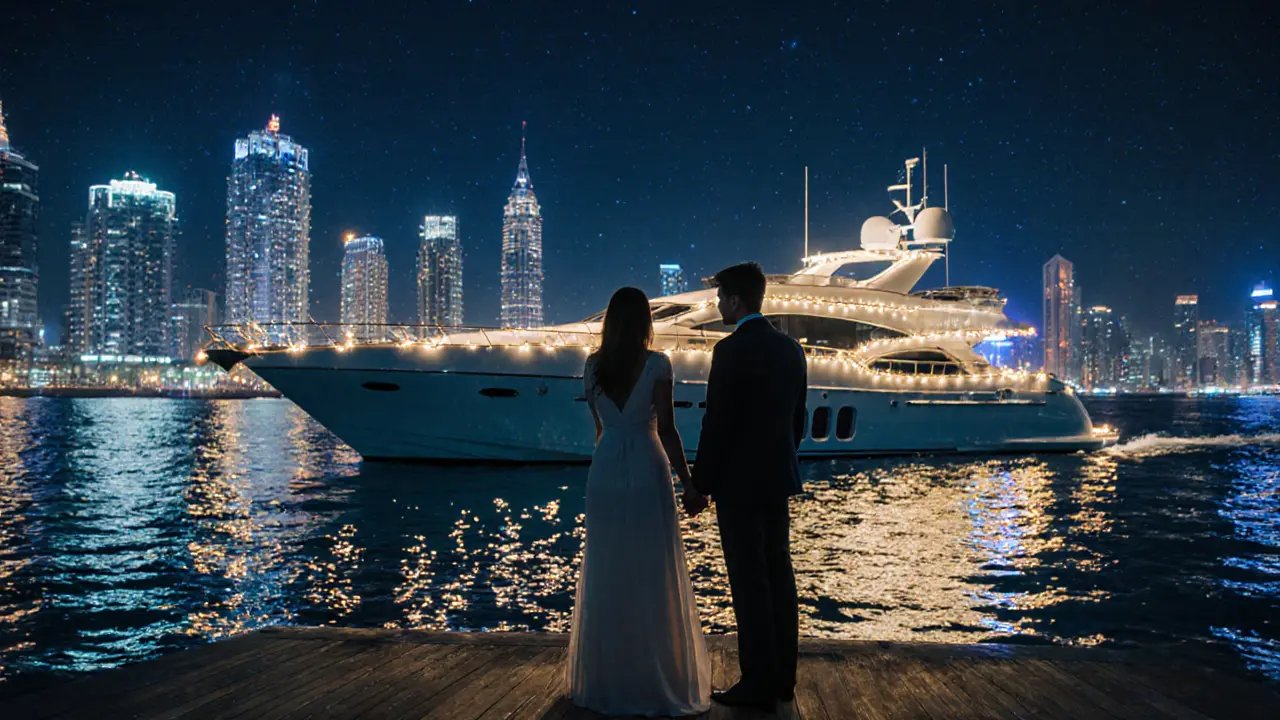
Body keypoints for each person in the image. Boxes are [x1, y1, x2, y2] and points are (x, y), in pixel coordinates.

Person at [567, 286, 711, 717]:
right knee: (653, 568)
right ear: (646, 323)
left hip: (606, 467)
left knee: (607, 567)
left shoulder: (592, 366)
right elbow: (666, 430)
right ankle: (654, 675)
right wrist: (689, 483)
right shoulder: (657, 364)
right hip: (647, 468)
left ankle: (607, 678)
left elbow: (600, 427)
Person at [686, 261, 808, 713]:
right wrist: (778, 462)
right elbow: (796, 422)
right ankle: (784, 681)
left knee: (748, 583)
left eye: (721, 298)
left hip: (738, 486)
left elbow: (717, 423)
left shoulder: (730, 350)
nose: (717, 305)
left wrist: (700, 485)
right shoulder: (791, 349)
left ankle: (756, 681)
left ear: (736, 300)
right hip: (778, 480)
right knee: (779, 577)